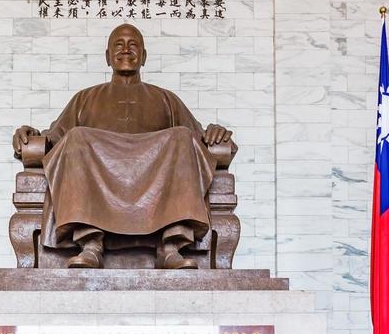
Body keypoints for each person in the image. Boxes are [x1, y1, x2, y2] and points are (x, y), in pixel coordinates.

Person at [13, 24, 232, 270]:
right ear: (107, 57)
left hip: (156, 173)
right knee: (76, 138)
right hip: (97, 171)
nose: (126, 50)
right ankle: (91, 243)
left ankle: (170, 246)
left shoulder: (166, 99)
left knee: (181, 137)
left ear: (144, 56)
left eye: (133, 44)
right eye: (118, 44)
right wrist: (31, 135)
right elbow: (54, 139)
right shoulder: (84, 99)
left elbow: (199, 139)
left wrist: (215, 134)